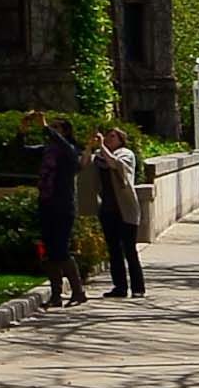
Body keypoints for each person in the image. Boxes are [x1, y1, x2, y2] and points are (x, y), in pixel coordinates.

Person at [95, 126, 150, 299]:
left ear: (121, 140)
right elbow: (85, 165)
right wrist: (91, 147)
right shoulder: (98, 156)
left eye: (113, 136)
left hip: (125, 209)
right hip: (107, 209)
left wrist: (102, 146)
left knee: (129, 249)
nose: (109, 139)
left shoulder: (126, 154)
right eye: (107, 136)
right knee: (114, 250)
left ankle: (138, 288)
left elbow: (115, 165)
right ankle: (119, 287)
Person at [36, 121, 85, 305]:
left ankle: (78, 291)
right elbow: (21, 150)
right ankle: (56, 294)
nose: (53, 131)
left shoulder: (70, 151)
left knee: (61, 250)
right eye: (53, 127)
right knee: (49, 251)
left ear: (65, 131)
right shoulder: (47, 150)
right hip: (46, 203)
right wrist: (21, 131)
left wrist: (45, 126)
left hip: (63, 206)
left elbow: (62, 143)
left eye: (58, 127)